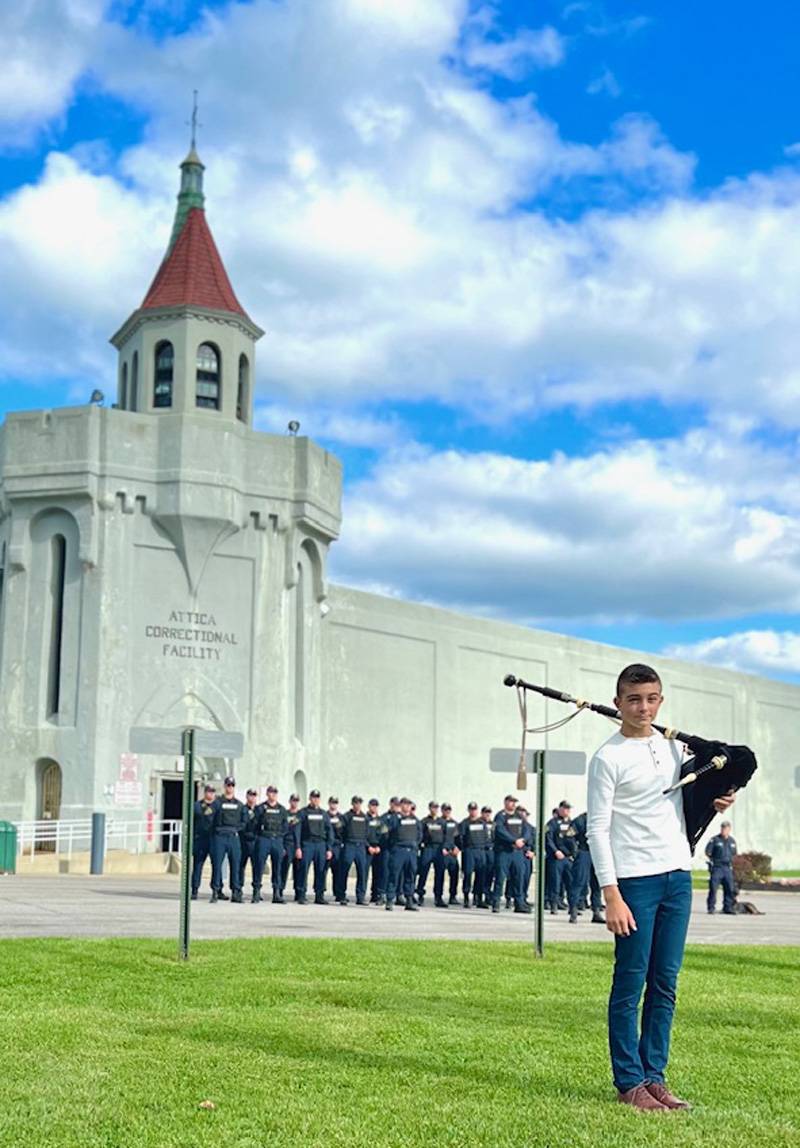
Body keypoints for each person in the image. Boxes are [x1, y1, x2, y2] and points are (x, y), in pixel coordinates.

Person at [587, 663, 736, 1112]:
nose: (643, 707)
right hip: (634, 882)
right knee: (630, 983)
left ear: (661, 700)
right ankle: (628, 1082)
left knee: (665, 983)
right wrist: (611, 894)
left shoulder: (672, 749)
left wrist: (714, 801)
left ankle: (655, 1078)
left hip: (677, 876)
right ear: (618, 704)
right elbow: (597, 829)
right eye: (634, 699)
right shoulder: (607, 757)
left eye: (651, 698)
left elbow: (681, 805)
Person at [492, 795, 531, 914]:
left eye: (514, 802)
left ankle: (519, 903)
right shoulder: (500, 816)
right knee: (500, 877)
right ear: (505, 802)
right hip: (504, 851)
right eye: (511, 802)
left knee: (519, 877)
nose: (513, 804)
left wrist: (523, 840)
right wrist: (514, 841)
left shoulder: (519, 816)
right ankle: (496, 902)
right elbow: (500, 831)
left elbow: (527, 830)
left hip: (517, 852)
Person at [210, 776, 245, 903]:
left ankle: (235, 892)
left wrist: (236, 829)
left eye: (232, 785)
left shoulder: (239, 805)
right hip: (219, 837)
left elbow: (244, 821)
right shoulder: (217, 803)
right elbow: (210, 819)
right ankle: (215, 891)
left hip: (233, 837)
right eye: (228, 785)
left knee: (235, 865)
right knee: (217, 865)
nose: (230, 787)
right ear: (224, 786)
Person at [296, 789, 334, 905]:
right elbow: (297, 830)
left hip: (321, 845)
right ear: (310, 798)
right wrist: (298, 847)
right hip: (307, 844)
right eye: (313, 797)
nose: (315, 800)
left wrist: (329, 848)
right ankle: (301, 895)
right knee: (303, 869)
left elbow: (329, 831)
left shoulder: (324, 814)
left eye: (317, 798)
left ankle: (319, 895)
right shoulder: (303, 813)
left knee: (321, 871)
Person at [253, 785, 289, 903]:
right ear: (267, 794)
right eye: (270, 792)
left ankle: (276, 893)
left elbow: (285, 827)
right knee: (259, 866)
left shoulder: (282, 810)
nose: (272, 795)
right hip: (264, 839)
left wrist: (282, 843)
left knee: (277, 867)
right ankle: (256, 892)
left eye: (274, 793)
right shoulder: (260, 808)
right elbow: (255, 824)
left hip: (277, 840)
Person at [384, 797, 421, 911]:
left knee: (410, 876)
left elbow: (419, 835)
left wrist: (415, 846)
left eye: (409, 804)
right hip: (398, 850)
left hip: (411, 851)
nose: (407, 806)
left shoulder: (415, 819)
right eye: (404, 804)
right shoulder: (394, 818)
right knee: (394, 875)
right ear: (401, 805)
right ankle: (390, 900)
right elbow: (385, 833)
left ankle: (409, 900)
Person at [569, 811, 605, 924]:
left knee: (597, 884)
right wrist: (575, 852)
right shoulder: (580, 820)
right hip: (584, 851)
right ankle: (574, 910)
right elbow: (569, 836)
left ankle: (596, 911)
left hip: (597, 852)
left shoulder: (601, 818)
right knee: (579, 882)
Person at [545, 800, 577, 914]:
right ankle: (554, 904)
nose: (567, 811)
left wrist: (574, 854)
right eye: (565, 808)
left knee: (571, 883)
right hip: (556, 858)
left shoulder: (572, 823)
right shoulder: (552, 823)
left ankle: (572, 907)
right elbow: (548, 839)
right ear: (560, 809)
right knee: (555, 882)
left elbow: (574, 840)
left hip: (568, 858)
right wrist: (555, 851)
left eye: (568, 809)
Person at [338, 795, 369, 905]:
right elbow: (339, 829)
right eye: (355, 803)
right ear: (352, 804)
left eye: (359, 803)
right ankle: (341, 895)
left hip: (360, 846)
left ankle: (360, 897)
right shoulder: (346, 816)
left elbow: (367, 832)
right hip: (349, 845)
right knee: (344, 870)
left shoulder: (364, 817)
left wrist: (367, 844)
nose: (357, 805)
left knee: (362, 872)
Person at [459, 802, 488, 907]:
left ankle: (478, 898)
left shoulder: (482, 823)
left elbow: (486, 836)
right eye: (471, 809)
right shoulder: (464, 823)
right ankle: (466, 897)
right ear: (468, 810)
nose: (473, 811)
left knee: (481, 874)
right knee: (467, 874)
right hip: (469, 851)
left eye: (475, 809)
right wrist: (464, 848)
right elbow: (460, 838)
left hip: (480, 850)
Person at [191, 783, 216, 900]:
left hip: (214, 839)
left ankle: (216, 890)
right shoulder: (197, 806)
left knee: (216, 865)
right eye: (208, 791)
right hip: (200, 839)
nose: (210, 794)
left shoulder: (217, 806)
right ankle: (194, 889)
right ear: (205, 792)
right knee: (198, 865)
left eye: (212, 792)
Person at [705, 821, 737, 914]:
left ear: (729, 829)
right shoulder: (715, 840)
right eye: (722, 828)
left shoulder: (732, 841)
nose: (724, 830)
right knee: (713, 888)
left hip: (727, 868)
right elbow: (708, 852)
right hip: (717, 867)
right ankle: (711, 907)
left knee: (729, 888)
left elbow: (734, 854)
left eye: (726, 828)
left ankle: (728, 907)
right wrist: (713, 861)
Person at [416, 801, 443, 905]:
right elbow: (419, 835)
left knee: (439, 873)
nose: (435, 809)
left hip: (438, 849)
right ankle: (420, 894)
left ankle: (438, 897)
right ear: (429, 808)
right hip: (427, 848)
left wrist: (445, 847)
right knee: (423, 872)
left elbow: (445, 836)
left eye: (436, 807)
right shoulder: (424, 821)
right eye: (433, 807)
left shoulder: (442, 822)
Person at [437, 804, 461, 906]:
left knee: (454, 875)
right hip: (442, 853)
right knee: (440, 875)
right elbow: (436, 838)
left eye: (449, 810)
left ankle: (452, 896)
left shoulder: (455, 823)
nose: (447, 811)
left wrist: (458, 848)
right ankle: (438, 897)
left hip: (452, 853)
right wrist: (442, 848)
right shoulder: (438, 822)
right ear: (442, 810)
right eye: (445, 810)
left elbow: (459, 838)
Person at [281, 793, 302, 901]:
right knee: (284, 869)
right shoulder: (285, 813)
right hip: (287, 844)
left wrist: (300, 847)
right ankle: (280, 891)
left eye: (296, 801)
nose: (295, 802)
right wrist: (282, 846)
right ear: (290, 801)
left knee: (298, 870)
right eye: (293, 800)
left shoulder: (301, 814)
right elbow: (282, 830)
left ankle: (298, 893)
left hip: (298, 846)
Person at [366, 798, 387, 904]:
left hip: (378, 849)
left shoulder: (381, 821)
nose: (374, 807)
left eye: (376, 806)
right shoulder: (365, 819)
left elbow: (385, 835)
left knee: (379, 873)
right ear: (368, 806)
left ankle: (377, 895)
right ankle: (361, 895)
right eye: (372, 805)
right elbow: (361, 834)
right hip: (367, 849)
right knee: (365, 873)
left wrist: (379, 846)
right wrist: (368, 846)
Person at [239, 788, 259, 893]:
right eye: (250, 795)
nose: (252, 797)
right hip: (243, 840)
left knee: (256, 866)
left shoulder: (259, 810)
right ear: (247, 796)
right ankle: (238, 889)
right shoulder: (242, 809)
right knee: (240, 866)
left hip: (255, 841)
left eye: (254, 795)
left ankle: (256, 891)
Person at [326, 796, 344, 897]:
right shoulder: (325, 815)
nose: (334, 805)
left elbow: (343, 831)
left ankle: (337, 893)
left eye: (335, 803)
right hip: (327, 845)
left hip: (337, 845)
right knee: (323, 870)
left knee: (337, 871)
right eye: (332, 803)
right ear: (329, 804)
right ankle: (320, 893)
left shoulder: (341, 817)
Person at [481, 806, 495, 904]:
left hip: (492, 851)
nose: (487, 814)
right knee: (481, 873)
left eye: (489, 812)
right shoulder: (479, 823)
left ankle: (487, 895)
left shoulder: (494, 824)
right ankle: (478, 895)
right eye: (486, 812)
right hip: (482, 850)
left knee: (490, 873)